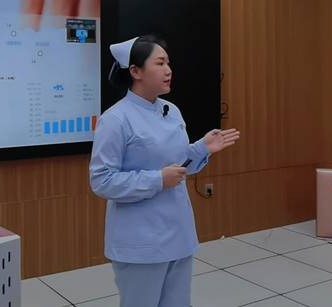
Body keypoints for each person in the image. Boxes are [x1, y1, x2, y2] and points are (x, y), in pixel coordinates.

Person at [89, 35, 241, 307]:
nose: (168, 70)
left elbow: (178, 166)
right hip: (141, 241)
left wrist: (201, 149)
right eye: (159, 63)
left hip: (178, 232)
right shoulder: (115, 119)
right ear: (135, 71)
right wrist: (157, 179)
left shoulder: (172, 111)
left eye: (168, 63)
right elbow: (102, 180)